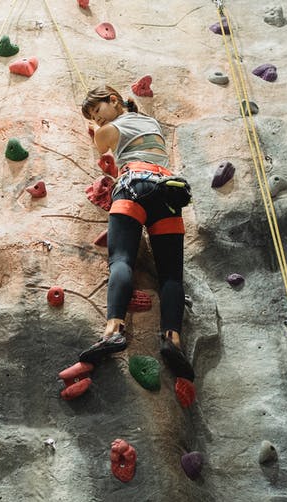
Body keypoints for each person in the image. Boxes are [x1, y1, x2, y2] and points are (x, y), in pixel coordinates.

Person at [75, 85, 194, 382]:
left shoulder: (115, 125)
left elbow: (102, 143)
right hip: (168, 192)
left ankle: (114, 331)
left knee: (121, 261)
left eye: (97, 111)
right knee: (171, 275)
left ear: (113, 100)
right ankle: (172, 340)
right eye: (91, 115)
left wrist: (97, 129)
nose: (96, 119)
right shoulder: (150, 123)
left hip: (134, 185)